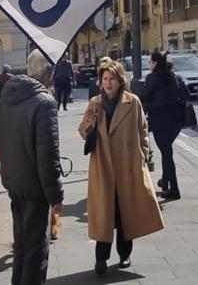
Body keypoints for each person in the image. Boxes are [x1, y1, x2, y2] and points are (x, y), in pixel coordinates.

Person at [0, 50, 63, 285]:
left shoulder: (8, 97)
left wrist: (9, 145)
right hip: (35, 187)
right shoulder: (44, 103)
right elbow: (48, 156)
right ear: (47, 73)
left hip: (14, 182)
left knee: (22, 248)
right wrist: (56, 196)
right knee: (36, 252)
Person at [79, 59, 163, 276]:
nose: (108, 83)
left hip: (127, 165)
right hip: (104, 166)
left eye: (112, 79)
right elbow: (82, 130)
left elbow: (142, 129)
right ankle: (101, 259)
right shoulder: (95, 103)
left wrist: (144, 153)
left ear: (119, 81)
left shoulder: (132, 101)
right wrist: (91, 124)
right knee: (105, 214)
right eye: (105, 79)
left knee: (126, 211)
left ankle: (124, 254)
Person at [143, 51, 188, 201]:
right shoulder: (176, 77)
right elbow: (186, 95)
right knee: (166, 151)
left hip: (159, 122)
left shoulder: (152, 78)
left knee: (167, 153)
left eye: (150, 61)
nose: (149, 64)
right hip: (176, 122)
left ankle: (174, 189)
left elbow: (145, 97)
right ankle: (165, 182)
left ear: (155, 63)